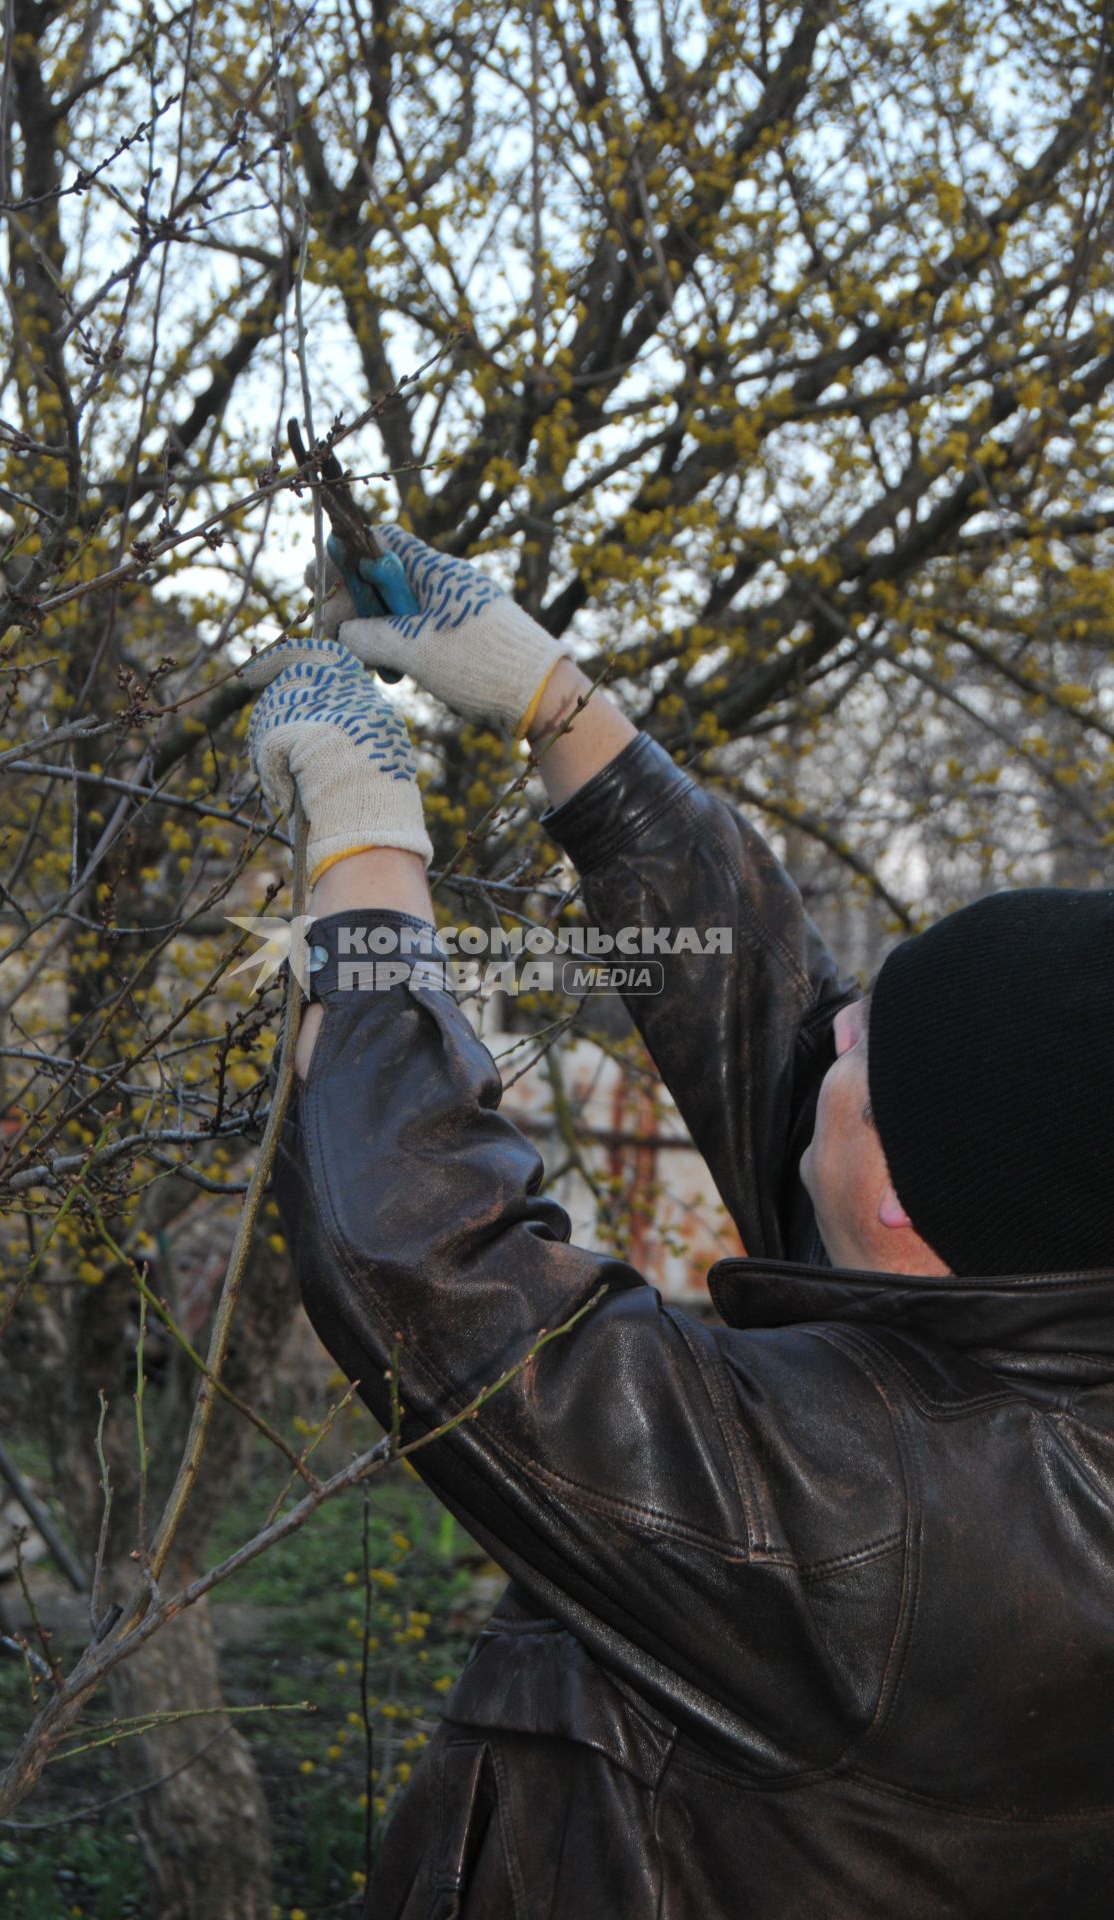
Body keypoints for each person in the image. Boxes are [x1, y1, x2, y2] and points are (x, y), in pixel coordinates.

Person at [251, 526, 1114, 1919]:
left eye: (862, 1052)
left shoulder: (884, 1538)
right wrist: (562, 709)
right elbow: (795, 1055)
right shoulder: (1034, 1336)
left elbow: (439, 1274)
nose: (830, 1025)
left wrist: (364, 864)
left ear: (904, 1199)